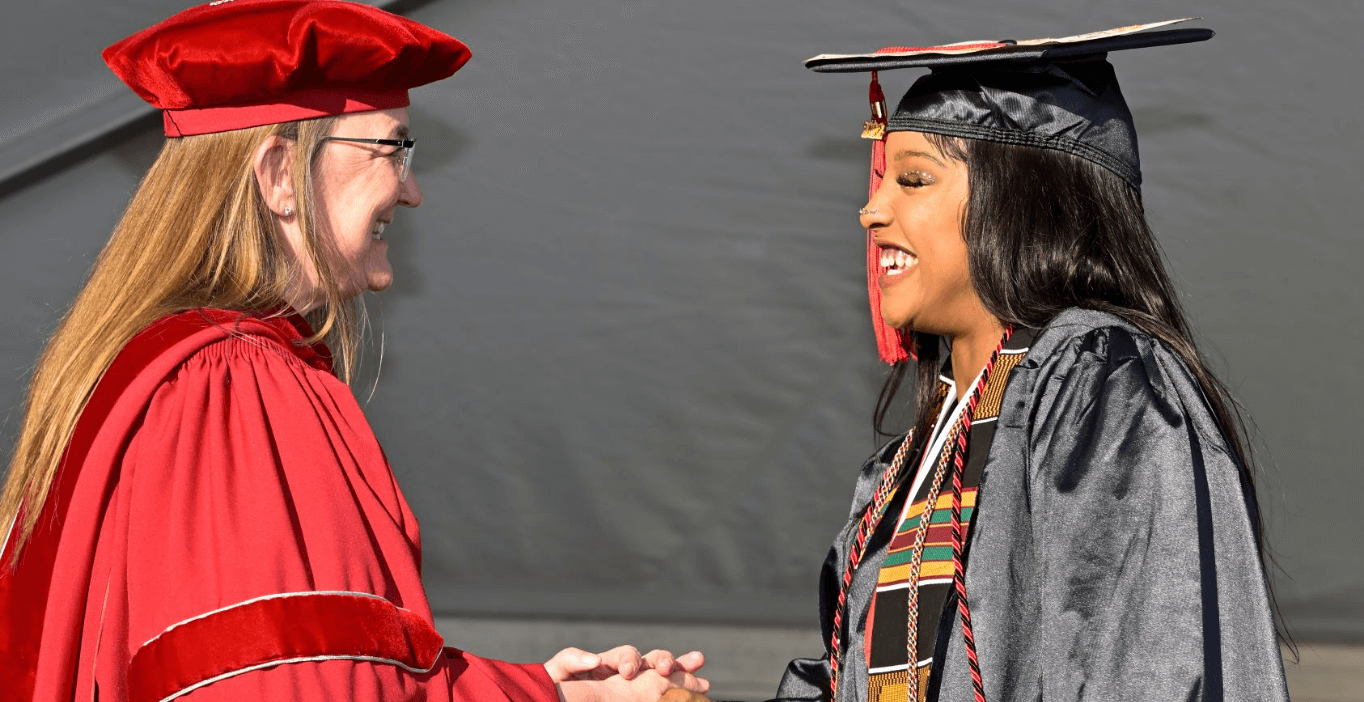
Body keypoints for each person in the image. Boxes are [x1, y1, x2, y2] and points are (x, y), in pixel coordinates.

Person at [0, 2, 708, 701]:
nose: (413, 191)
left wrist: (544, 692)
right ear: (279, 174)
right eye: (392, 148)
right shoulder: (233, 384)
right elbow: (291, 686)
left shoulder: (148, 362)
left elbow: (327, 664)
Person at [668, 19, 1289, 702]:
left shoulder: (1095, 382)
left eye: (913, 179)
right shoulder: (910, 465)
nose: (870, 210)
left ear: (1019, 200)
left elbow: (1148, 671)